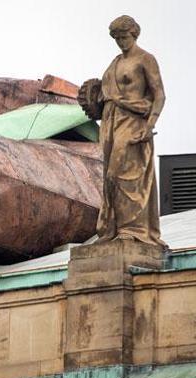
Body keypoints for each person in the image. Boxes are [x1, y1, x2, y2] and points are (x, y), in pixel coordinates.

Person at [80, 15, 167, 247]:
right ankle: (112, 229)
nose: (120, 42)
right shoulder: (115, 62)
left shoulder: (145, 59)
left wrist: (150, 125)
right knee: (109, 176)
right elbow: (103, 93)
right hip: (110, 121)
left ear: (134, 34)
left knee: (125, 172)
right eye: (116, 38)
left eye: (124, 37)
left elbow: (159, 94)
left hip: (134, 120)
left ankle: (134, 229)